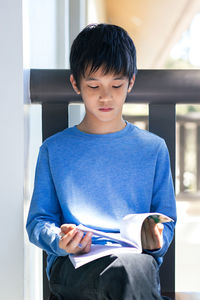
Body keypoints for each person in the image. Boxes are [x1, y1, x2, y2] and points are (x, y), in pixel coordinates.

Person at [26, 23, 176, 300]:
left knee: (131, 269)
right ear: (76, 84)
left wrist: (156, 239)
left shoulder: (153, 149)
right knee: (128, 277)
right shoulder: (54, 149)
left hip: (135, 264)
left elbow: (166, 222)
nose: (105, 96)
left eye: (116, 85)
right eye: (94, 85)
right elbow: (38, 222)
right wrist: (60, 240)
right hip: (73, 265)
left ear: (131, 82)